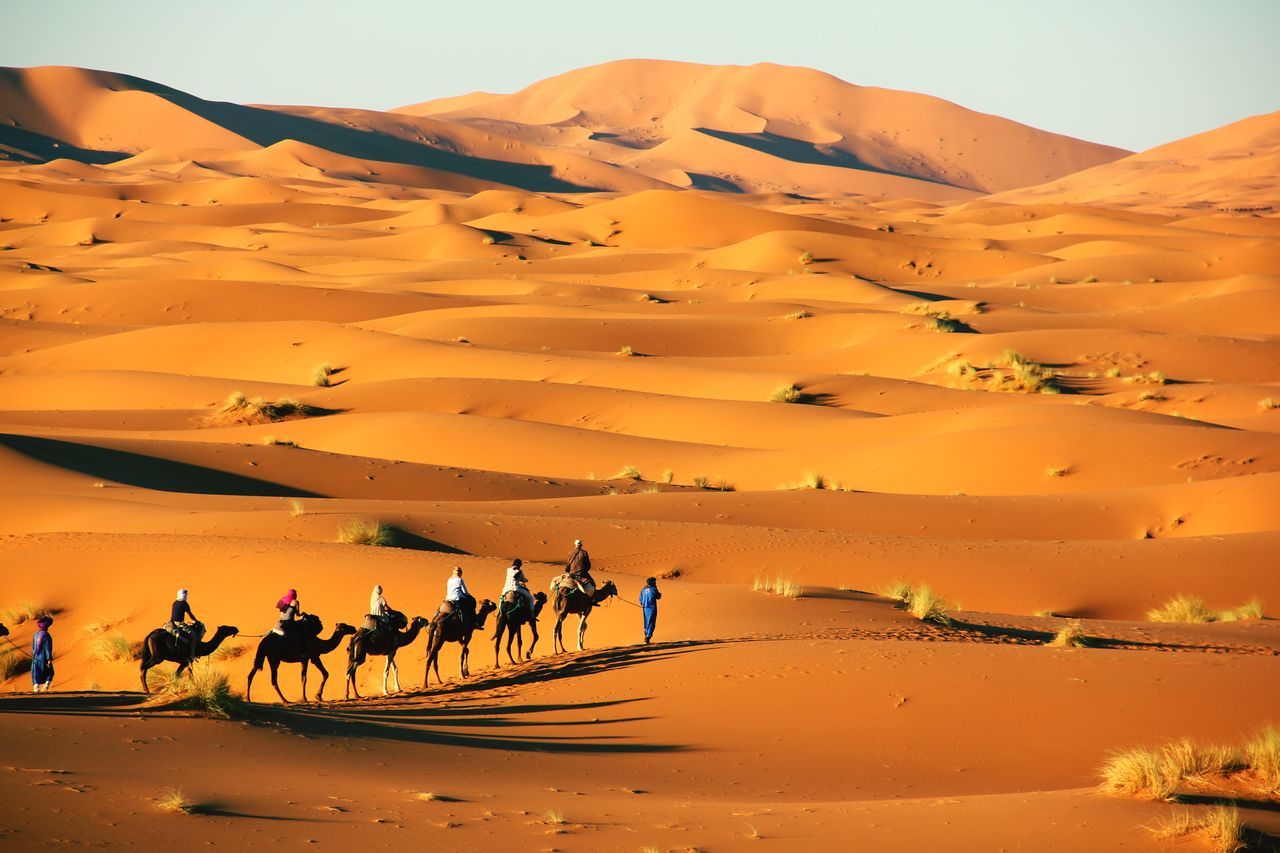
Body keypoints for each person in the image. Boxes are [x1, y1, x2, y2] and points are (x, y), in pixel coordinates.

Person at [554, 539, 596, 603]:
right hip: (581, 573)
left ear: (575, 545)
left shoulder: (570, 552)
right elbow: (587, 564)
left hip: (572, 573)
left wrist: (568, 570)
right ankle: (592, 600)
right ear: (581, 545)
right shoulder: (584, 553)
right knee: (592, 583)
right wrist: (586, 569)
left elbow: (568, 563)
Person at [165, 588, 203, 658]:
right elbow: (190, 615)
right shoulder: (185, 604)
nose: (185, 596)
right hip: (179, 624)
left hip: (172, 622)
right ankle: (192, 655)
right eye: (184, 595)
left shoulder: (175, 602)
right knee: (193, 636)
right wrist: (196, 621)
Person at [31, 615, 53, 692]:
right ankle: (46, 687)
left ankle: (36, 687)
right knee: (50, 672)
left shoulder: (35, 635)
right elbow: (48, 648)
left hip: (35, 658)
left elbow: (33, 647)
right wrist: (49, 658)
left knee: (35, 672)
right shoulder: (47, 635)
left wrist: (33, 656)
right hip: (43, 658)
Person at [639, 577, 661, 644]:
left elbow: (641, 601)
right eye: (654, 582)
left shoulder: (643, 590)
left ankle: (646, 635)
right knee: (652, 622)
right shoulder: (654, 589)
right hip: (652, 608)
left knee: (646, 622)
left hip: (645, 608)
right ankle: (648, 637)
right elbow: (658, 597)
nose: (655, 583)